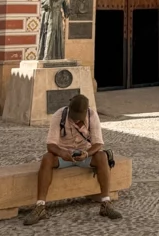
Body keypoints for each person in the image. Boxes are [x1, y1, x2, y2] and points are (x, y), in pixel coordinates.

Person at [24, 93, 122, 225]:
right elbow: (50, 145)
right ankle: (40, 206)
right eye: (73, 116)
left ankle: (105, 203)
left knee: (102, 156)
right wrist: (62, 153)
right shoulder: (59, 115)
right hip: (64, 155)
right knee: (47, 158)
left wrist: (86, 153)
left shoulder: (92, 115)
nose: (76, 120)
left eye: (78, 117)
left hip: (85, 154)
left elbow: (98, 143)